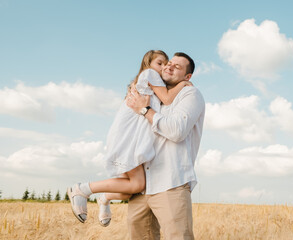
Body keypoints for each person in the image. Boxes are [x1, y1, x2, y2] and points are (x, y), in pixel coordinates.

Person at [67, 50, 192, 227]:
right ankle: (82, 189)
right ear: (148, 65)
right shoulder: (150, 74)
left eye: (166, 63)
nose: (164, 67)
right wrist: (184, 84)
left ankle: (104, 199)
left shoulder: (150, 81)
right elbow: (168, 99)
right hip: (129, 136)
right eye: (160, 63)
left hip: (133, 135)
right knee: (137, 184)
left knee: (128, 190)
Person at [126, 52, 205, 240]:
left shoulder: (190, 93)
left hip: (171, 182)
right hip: (142, 185)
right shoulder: (152, 94)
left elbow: (177, 131)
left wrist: (145, 110)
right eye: (169, 63)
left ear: (188, 77)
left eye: (177, 66)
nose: (169, 66)